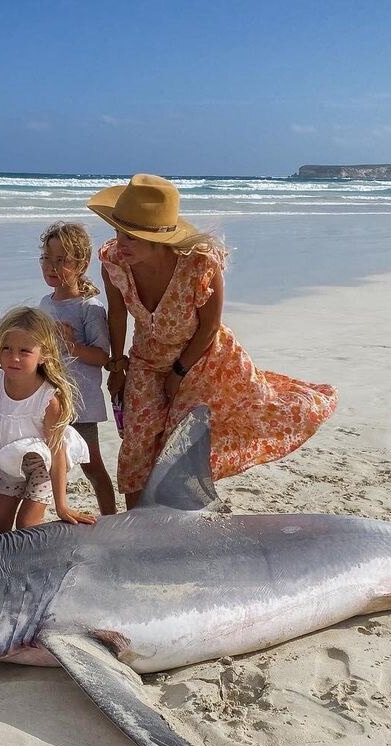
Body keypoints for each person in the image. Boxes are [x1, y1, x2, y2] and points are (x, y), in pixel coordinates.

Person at [87, 174, 338, 508]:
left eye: (131, 237)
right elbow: (117, 315)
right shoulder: (114, 262)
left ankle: (180, 514)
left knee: (179, 447)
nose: (120, 242)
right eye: (118, 231)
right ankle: (139, 524)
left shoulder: (200, 265)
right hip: (146, 361)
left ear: (158, 239)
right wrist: (117, 365)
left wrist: (179, 372)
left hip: (204, 361)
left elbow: (209, 327)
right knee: (137, 445)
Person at [0, 306, 96, 533]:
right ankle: (7, 566)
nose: (13, 357)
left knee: (26, 525)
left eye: (25, 351)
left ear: (43, 355)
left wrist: (62, 505)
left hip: (44, 465)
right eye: (6, 348)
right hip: (10, 458)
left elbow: (57, 451)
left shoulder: (48, 399)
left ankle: (34, 562)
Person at [37, 222, 117, 515]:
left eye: (62, 260)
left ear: (82, 264)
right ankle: (55, 511)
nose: (52, 266)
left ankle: (110, 518)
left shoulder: (89, 307)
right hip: (51, 399)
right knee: (49, 461)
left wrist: (71, 346)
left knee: (92, 466)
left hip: (81, 402)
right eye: (47, 258)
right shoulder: (45, 303)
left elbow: (101, 356)